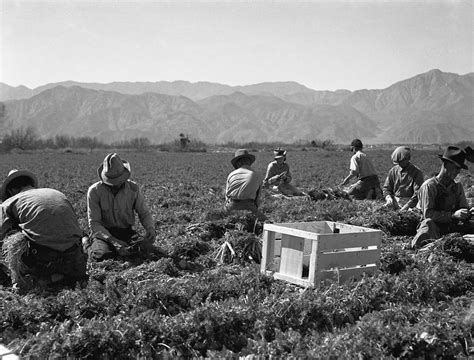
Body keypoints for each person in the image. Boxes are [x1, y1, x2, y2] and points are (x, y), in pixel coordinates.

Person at [0, 169, 87, 293]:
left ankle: (39, 281)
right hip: (75, 259)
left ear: (11, 190)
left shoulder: (10, 202)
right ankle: (66, 276)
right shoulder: (57, 193)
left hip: (44, 260)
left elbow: (1, 234)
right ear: (30, 184)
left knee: (14, 240)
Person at [85, 153, 157, 261]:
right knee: (103, 256)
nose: (116, 184)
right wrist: (114, 241)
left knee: (148, 251)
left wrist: (150, 228)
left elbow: (144, 213)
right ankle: (86, 243)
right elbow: (95, 223)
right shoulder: (95, 191)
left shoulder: (133, 189)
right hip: (104, 234)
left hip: (126, 232)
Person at [411, 146, 474, 249]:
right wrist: (453, 215)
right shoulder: (429, 186)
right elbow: (428, 214)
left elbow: (463, 209)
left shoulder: (457, 187)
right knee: (428, 223)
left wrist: (468, 212)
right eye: (456, 168)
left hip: (452, 227)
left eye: (459, 169)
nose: (458, 171)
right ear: (446, 165)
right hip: (435, 228)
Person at [383, 146, 424, 211]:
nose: (400, 164)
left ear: (408, 159)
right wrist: (388, 198)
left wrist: (407, 205)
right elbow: (386, 188)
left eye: (402, 162)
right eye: (398, 162)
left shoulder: (417, 172)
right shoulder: (393, 171)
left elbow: (417, 193)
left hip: (411, 204)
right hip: (395, 201)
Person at [225, 149, 263, 216]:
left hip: (232, 206)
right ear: (249, 162)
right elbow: (257, 199)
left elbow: (227, 196)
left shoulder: (231, 175)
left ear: (238, 163)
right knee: (266, 222)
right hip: (249, 207)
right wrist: (255, 210)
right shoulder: (256, 175)